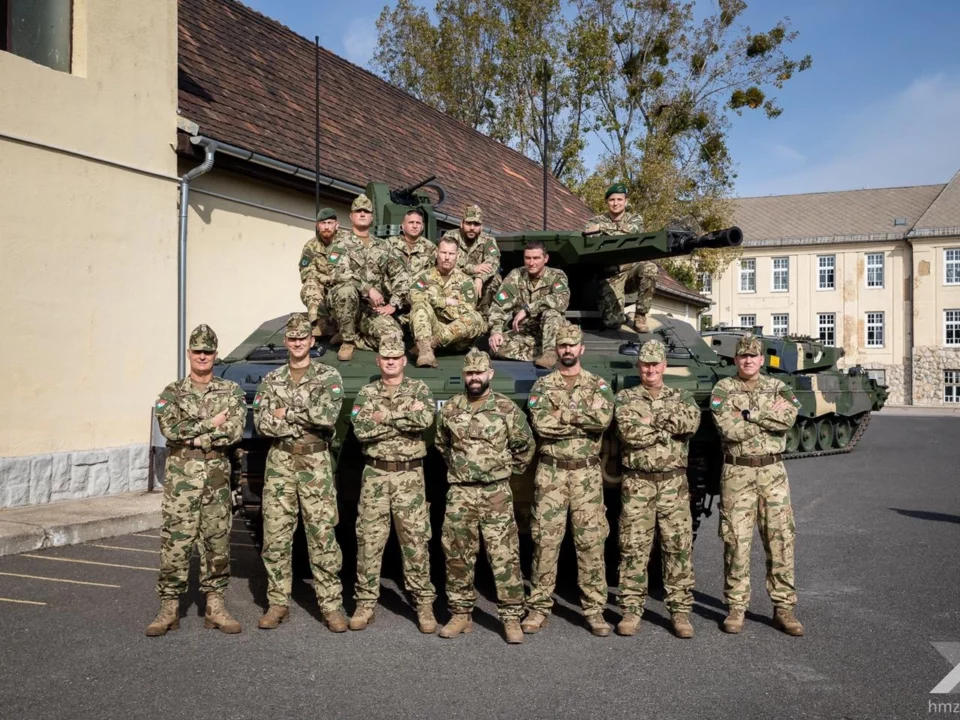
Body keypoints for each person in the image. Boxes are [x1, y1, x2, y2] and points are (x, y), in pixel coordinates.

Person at [147, 324, 246, 636]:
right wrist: (210, 424)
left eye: (208, 351)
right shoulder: (171, 393)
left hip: (217, 477)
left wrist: (193, 435)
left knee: (216, 543)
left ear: (215, 355)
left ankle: (215, 606)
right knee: (176, 543)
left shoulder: (231, 392)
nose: (203, 356)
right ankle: (169, 607)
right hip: (182, 481)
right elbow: (170, 430)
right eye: (197, 351)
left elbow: (233, 432)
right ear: (188, 353)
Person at [253, 314, 348, 632]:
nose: (297, 342)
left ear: (311, 341)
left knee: (322, 536)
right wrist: (304, 414)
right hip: (280, 463)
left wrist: (286, 412)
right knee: (276, 537)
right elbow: (262, 423)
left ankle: (331, 606)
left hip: (315, 464)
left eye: (302, 338)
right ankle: (278, 603)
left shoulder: (328, 376)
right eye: (291, 338)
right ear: (286, 341)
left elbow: (327, 416)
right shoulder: (271, 380)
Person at [434, 348, 535, 644]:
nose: (474, 378)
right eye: (470, 373)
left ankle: (511, 617)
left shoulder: (505, 408)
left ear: (490, 374)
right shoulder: (451, 408)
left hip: (496, 493)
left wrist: (501, 471)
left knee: (504, 556)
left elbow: (525, 446)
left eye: (479, 372)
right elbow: (442, 445)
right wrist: (463, 469)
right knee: (457, 555)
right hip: (461, 493)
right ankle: (460, 613)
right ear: (464, 375)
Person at [521, 323, 616, 637]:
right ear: (556, 349)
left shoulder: (598, 385)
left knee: (590, 542)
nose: (567, 350)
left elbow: (602, 420)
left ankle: (594, 610)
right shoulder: (543, 387)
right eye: (562, 345)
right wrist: (579, 419)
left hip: (587, 475)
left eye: (572, 345)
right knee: (545, 542)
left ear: (581, 349)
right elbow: (541, 425)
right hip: (551, 473)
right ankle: (538, 607)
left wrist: (563, 415)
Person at [711, 333, 804, 636]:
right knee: (736, 543)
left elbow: (788, 418)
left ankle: (784, 608)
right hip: (737, 475)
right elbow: (727, 428)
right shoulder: (723, 388)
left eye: (753, 356)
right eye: (743, 356)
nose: (748, 360)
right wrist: (766, 418)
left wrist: (749, 414)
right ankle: (736, 608)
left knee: (780, 541)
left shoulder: (779, 387)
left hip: (772, 473)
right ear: (735, 359)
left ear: (762, 360)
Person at [348, 336, 438, 633]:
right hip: (375, 475)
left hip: (409, 477)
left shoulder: (419, 389)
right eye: (385, 357)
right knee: (369, 542)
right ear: (378, 361)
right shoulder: (367, 391)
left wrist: (383, 416)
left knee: (415, 541)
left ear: (403, 360)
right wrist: (402, 417)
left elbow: (423, 419)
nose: (390, 361)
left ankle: (423, 604)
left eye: (395, 357)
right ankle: (365, 603)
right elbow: (361, 429)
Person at [613, 339, 700, 638]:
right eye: (645, 364)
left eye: (655, 363)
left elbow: (691, 423)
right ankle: (631, 610)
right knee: (633, 548)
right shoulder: (625, 398)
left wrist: (652, 420)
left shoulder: (682, 395)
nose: (650, 369)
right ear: (639, 366)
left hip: (674, 483)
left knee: (677, 548)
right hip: (638, 483)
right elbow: (629, 433)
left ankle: (680, 612)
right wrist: (666, 427)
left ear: (664, 365)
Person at [584, 183, 659, 333]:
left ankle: (640, 315)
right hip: (610, 276)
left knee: (650, 268)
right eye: (612, 200)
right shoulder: (594, 220)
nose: (615, 203)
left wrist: (602, 229)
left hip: (631, 271)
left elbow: (632, 232)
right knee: (613, 323)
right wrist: (610, 229)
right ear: (607, 202)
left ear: (626, 201)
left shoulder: (635, 219)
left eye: (619, 199)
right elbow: (589, 234)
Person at [327, 194, 394, 361]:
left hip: (370, 309)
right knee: (347, 290)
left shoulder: (383, 245)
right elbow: (338, 273)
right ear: (351, 216)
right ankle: (347, 340)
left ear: (372, 217)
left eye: (366, 211)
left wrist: (394, 303)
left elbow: (399, 273)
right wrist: (368, 289)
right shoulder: (339, 243)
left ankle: (356, 338)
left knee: (393, 337)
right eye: (358, 211)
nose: (362, 214)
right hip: (344, 306)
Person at [488, 239, 569, 369]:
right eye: (528, 258)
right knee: (496, 348)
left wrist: (528, 309)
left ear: (546, 258)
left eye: (536, 258)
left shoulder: (556, 275)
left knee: (552, 313)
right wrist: (496, 331)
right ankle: (546, 354)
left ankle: (550, 354)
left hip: (551, 331)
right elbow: (498, 306)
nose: (531, 263)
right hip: (525, 334)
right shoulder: (516, 275)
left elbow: (562, 300)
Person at [409, 236, 485, 368]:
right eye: (443, 253)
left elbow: (466, 311)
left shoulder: (466, 282)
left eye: (451, 253)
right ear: (436, 253)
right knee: (420, 306)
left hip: (456, 339)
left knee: (475, 318)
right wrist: (443, 302)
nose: (447, 257)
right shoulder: (425, 277)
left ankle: (432, 343)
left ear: (458, 255)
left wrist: (433, 305)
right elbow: (414, 296)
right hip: (431, 328)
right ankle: (426, 351)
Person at [299, 208, 353, 338]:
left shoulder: (348, 241)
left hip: (345, 285)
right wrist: (324, 279)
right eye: (323, 223)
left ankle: (347, 327)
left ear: (337, 225)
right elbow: (305, 271)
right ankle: (319, 323)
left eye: (330, 223)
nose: (326, 227)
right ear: (317, 226)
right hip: (323, 289)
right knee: (310, 285)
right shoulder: (311, 246)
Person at [440, 204, 501, 314]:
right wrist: (473, 269)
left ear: (481, 227)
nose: (472, 227)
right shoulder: (451, 236)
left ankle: (483, 316)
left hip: (477, 280)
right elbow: (448, 261)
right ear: (461, 224)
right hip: (455, 277)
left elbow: (493, 261)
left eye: (476, 224)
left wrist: (480, 278)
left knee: (495, 279)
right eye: (469, 223)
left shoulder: (488, 240)